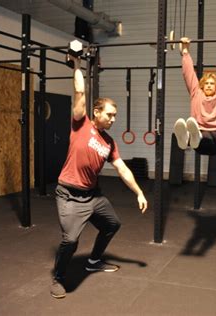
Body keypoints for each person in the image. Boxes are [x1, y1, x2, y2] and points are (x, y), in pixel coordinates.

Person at [50, 55, 148, 299]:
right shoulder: (80, 124)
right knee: (70, 241)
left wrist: (139, 192)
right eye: (110, 115)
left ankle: (93, 260)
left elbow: (122, 169)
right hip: (69, 195)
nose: (113, 119)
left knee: (112, 224)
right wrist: (76, 65)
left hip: (93, 196)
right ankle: (59, 277)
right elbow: (80, 92)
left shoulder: (110, 142)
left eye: (115, 116)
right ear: (97, 112)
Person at [173, 35, 216, 156]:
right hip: (198, 142)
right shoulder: (197, 93)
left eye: (212, 83)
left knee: (210, 136)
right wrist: (185, 51)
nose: (208, 85)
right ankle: (189, 138)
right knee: (199, 135)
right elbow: (188, 74)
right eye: (206, 83)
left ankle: (189, 138)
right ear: (202, 85)